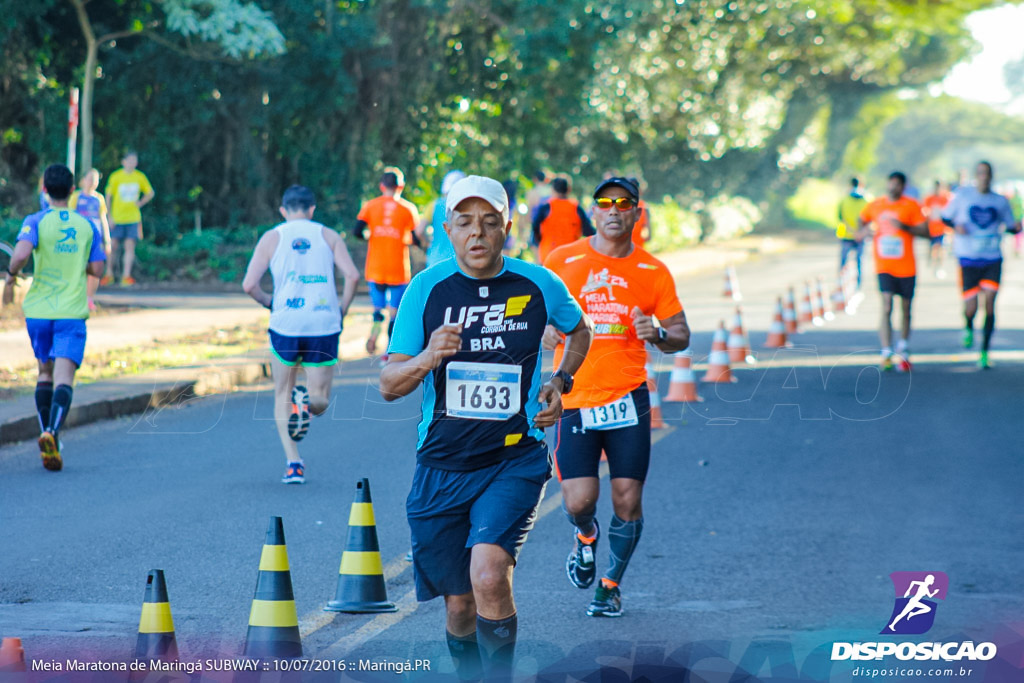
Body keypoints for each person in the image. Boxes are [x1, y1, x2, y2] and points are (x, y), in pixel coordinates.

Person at [380, 175, 593, 681]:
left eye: (490, 222)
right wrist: (430, 355)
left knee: (488, 574)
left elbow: (579, 329)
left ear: (507, 228)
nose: (477, 233)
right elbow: (389, 384)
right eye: (465, 222)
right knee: (458, 604)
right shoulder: (426, 290)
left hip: (514, 458)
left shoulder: (538, 283)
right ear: (448, 229)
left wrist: (560, 381)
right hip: (442, 464)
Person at [543, 177, 690, 617]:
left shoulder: (652, 271)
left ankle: (609, 585)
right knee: (578, 501)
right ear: (593, 212)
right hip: (575, 398)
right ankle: (585, 537)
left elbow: (681, 334)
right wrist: (545, 329)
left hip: (628, 400)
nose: (613, 209)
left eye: (623, 203)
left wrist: (660, 334)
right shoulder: (561, 260)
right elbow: (534, 313)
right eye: (604, 202)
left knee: (627, 499)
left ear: (636, 214)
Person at [242, 185, 360, 483]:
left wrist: (271, 303)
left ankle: (293, 463)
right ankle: (307, 403)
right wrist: (341, 309)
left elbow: (249, 285)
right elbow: (353, 275)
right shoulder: (329, 235)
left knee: (282, 392)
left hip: (286, 324)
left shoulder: (272, 237)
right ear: (311, 209)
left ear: (283, 210)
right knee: (320, 399)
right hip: (323, 323)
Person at [2, 164, 106, 471]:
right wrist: (77, 265)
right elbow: (98, 269)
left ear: (45, 190)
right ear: (72, 191)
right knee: (64, 378)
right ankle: (51, 433)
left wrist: (11, 277)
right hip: (71, 313)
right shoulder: (87, 226)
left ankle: (46, 435)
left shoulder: (35, 221)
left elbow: (20, 255)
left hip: (38, 312)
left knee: (44, 373)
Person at [941, 161, 1021, 369]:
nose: (984, 177)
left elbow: (1011, 225)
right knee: (971, 306)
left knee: (990, 303)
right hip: (968, 258)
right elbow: (945, 217)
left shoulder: (1000, 201)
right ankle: (968, 325)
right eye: (980, 173)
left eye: (987, 174)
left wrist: (1016, 227)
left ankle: (984, 351)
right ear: (976, 176)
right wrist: (955, 226)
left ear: (991, 176)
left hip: (992, 258)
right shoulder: (963, 196)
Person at [857, 172, 929, 372]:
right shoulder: (876, 205)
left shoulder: (912, 205)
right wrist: (863, 232)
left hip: (906, 267)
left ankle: (903, 348)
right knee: (887, 305)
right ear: (887, 184)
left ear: (903, 187)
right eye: (891, 184)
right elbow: (860, 221)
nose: (893, 187)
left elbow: (926, 231)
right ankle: (886, 350)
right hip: (884, 265)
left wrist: (905, 227)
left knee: (905, 308)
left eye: (897, 185)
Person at [355, 168, 419, 357]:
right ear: (401, 186)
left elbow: (357, 231)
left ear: (382, 186)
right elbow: (415, 238)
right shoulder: (408, 209)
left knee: (378, 309)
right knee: (394, 313)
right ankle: (389, 351)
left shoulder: (370, 205)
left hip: (375, 267)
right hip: (398, 268)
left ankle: (374, 334)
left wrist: (370, 236)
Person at [104, 150, 154, 286]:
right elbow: (108, 196)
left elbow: (150, 193)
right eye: (130, 160)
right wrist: (110, 216)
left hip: (133, 218)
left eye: (134, 160)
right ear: (123, 162)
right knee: (112, 246)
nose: (132, 163)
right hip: (117, 218)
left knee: (129, 246)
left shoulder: (139, 176)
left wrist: (140, 203)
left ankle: (126, 276)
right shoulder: (116, 176)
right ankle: (109, 274)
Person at [69, 169, 111, 311]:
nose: (92, 181)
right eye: (89, 178)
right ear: (83, 180)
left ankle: (89, 299)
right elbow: (69, 217)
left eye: (95, 179)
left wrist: (107, 239)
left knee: (95, 269)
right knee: (78, 268)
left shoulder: (99, 198)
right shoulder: (76, 196)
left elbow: (103, 219)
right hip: (78, 239)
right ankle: (76, 298)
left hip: (95, 239)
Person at [532, 175, 594, 264]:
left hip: (548, 255)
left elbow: (535, 227)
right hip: (571, 258)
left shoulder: (546, 208)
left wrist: (539, 241)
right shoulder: (577, 208)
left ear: (552, 189)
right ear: (569, 189)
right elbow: (589, 232)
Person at [416, 170, 466, 268]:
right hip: (460, 263)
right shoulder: (468, 206)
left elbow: (419, 231)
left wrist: (428, 243)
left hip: (436, 260)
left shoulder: (434, 205)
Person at [837, 177, 868, 289]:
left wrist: (852, 231)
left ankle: (841, 283)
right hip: (861, 236)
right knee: (859, 261)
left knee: (843, 261)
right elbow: (869, 220)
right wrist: (860, 232)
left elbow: (840, 218)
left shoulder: (844, 200)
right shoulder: (867, 200)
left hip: (846, 234)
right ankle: (858, 285)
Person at [922, 181, 950, 278]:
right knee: (934, 247)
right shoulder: (929, 199)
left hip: (943, 228)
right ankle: (934, 264)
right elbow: (924, 210)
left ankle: (940, 267)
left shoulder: (945, 198)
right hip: (932, 228)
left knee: (942, 248)